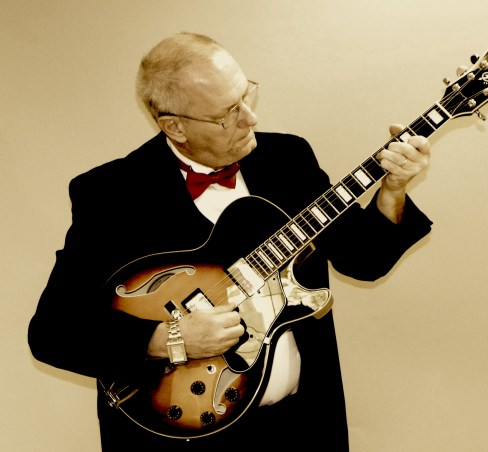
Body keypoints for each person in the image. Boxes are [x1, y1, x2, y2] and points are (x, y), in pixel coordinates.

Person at [28, 32, 432, 451]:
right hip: (180, 442)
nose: (250, 118)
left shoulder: (289, 159)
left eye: (245, 96)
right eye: (227, 113)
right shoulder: (110, 194)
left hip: (303, 428)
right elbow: (53, 333)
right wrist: (170, 338)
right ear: (175, 126)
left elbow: (363, 260)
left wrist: (393, 190)